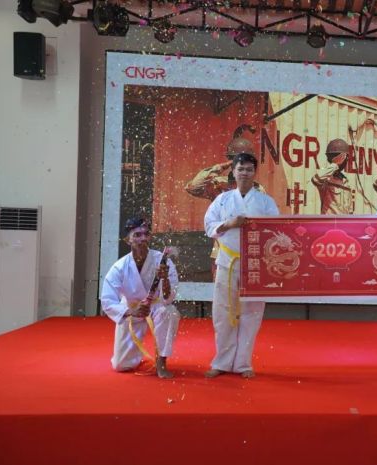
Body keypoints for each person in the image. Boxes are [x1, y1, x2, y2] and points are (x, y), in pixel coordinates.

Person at [204, 152, 279, 379]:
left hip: (255, 263)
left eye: (248, 169)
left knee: (252, 312)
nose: (244, 173)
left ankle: (243, 363)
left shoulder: (265, 202)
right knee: (223, 311)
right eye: (240, 169)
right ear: (233, 172)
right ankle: (222, 361)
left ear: (254, 172)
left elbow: (276, 229)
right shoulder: (222, 199)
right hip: (227, 261)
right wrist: (229, 223)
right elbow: (209, 225)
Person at [100, 217, 180, 379]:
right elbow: (107, 300)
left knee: (169, 312)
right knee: (121, 365)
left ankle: (161, 361)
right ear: (128, 240)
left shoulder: (162, 260)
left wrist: (164, 279)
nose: (143, 238)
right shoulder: (120, 267)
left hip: (156, 306)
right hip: (132, 308)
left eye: (146, 234)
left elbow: (168, 297)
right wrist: (132, 311)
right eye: (137, 235)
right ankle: (135, 355)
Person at [185, 137, 265, 273]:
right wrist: (221, 167)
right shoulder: (218, 184)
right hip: (222, 252)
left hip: (246, 250)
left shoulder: (257, 190)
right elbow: (193, 187)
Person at [311, 138, 354, 214]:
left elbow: (350, 211)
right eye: (344, 158)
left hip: (344, 221)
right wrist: (335, 164)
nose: (346, 160)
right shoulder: (326, 179)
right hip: (329, 221)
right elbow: (315, 179)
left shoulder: (345, 181)